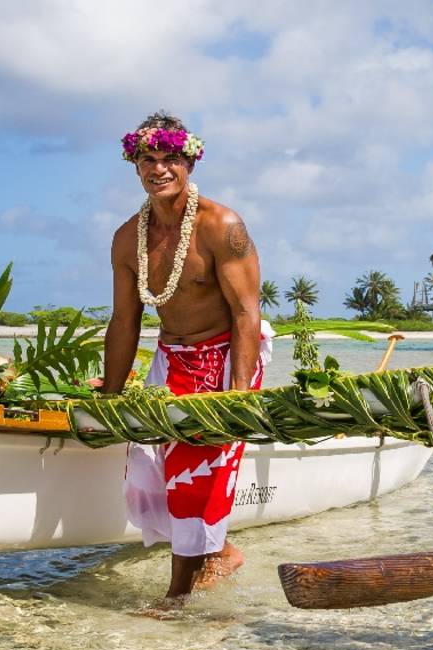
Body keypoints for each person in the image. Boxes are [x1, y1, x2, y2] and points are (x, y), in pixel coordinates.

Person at [101, 111, 272, 601]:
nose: (159, 169)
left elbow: (246, 314)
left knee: (194, 472)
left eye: (170, 159)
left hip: (228, 354)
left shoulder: (222, 225)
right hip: (171, 357)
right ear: (134, 166)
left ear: (190, 161)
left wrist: (236, 400)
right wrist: (110, 398)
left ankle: (177, 596)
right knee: (150, 463)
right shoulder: (126, 238)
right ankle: (222, 552)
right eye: (148, 159)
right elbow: (125, 321)